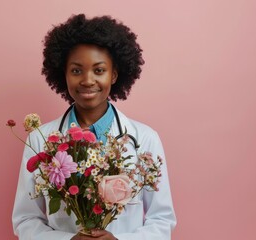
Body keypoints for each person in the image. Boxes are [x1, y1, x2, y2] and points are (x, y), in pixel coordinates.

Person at [12, 14, 177, 240]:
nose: (88, 80)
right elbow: (25, 219)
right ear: (64, 74)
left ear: (114, 75)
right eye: (77, 70)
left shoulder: (145, 139)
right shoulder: (40, 140)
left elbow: (162, 220)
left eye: (99, 70)